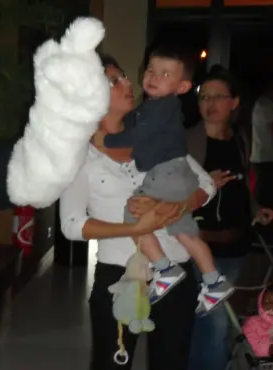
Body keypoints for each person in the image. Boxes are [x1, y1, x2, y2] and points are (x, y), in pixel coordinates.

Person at [61, 54, 216, 370]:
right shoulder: (78, 156)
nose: (128, 84)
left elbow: (206, 185)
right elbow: (72, 225)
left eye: (124, 77)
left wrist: (175, 207)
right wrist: (134, 227)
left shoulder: (155, 132)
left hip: (176, 274)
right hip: (120, 277)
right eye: (114, 81)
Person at [93, 45, 233, 314]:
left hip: (166, 174)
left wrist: (106, 140)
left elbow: (138, 137)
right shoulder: (158, 109)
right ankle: (214, 280)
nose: (154, 77)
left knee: (133, 213)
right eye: (150, 70)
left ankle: (164, 268)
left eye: (165, 74)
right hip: (177, 175)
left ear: (182, 86)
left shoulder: (159, 108)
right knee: (185, 232)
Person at [184, 66, 273, 370]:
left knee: (206, 322)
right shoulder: (187, 142)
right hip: (199, 246)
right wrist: (204, 187)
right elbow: (168, 195)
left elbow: (242, 187)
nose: (210, 104)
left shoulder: (240, 140)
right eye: (204, 97)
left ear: (234, 102)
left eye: (219, 97)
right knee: (219, 324)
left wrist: (255, 210)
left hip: (237, 245)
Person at [251, 79, 273, 209]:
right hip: (264, 156)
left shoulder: (266, 103)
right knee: (265, 190)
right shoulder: (264, 105)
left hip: (264, 155)